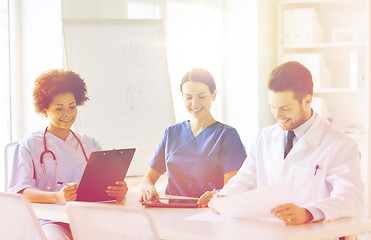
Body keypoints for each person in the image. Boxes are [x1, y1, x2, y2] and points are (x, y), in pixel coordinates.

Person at [211, 61, 364, 225]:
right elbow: (245, 179)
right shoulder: (264, 137)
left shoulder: (340, 145)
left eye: (285, 108)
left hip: (314, 233)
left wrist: (308, 212)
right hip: (269, 231)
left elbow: (350, 197)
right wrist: (224, 197)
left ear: (307, 101)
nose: (277, 115)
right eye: (273, 107)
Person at [8, 69, 128, 239]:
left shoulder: (89, 142)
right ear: (44, 111)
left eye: (72, 106)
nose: (67, 114)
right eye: (59, 108)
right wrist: (56, 196)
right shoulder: (29, 145)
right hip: (50, 220)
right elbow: (20, 192)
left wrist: (117, 190)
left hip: (88, 216)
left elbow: (104, 181)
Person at [139, 68, 246, 207]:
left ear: (213, 94)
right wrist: (148, 189)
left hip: (209, 212)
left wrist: (217, 194)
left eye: (201, 96)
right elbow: (147, 179)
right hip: (171, 212)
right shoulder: (171, 133)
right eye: (188, 97)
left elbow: (233, 189)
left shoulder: (227, 135)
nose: (194, 103)